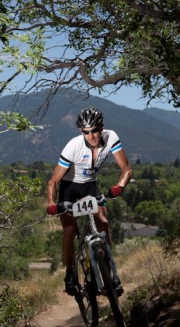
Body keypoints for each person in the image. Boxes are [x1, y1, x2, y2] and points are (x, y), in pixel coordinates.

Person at [46, 107, 132, 296]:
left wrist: (119, 186)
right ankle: (69, 274)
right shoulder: (73, 146)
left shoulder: (111, 138)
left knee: (103, 221)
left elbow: (126, 169)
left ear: (101, 128)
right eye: (86, 132)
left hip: (89, 186)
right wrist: (52, 203)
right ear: (81, 132)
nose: (91, 136)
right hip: (69, 188)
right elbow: (53, 181)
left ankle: (108, 274)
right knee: (69, 230)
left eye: (94, 130)